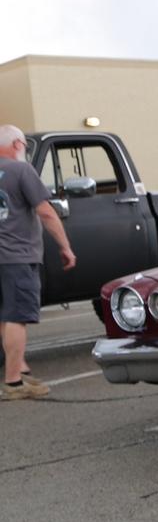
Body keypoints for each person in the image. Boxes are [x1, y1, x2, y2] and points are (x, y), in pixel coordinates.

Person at [0, 125, 75, 399]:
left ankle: (20, 371)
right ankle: (13, 384)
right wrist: (65, 247)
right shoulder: (21, 171)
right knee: (17, 317)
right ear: (18, 144)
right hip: (17, 256)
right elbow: (46, 212)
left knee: (5, 316)